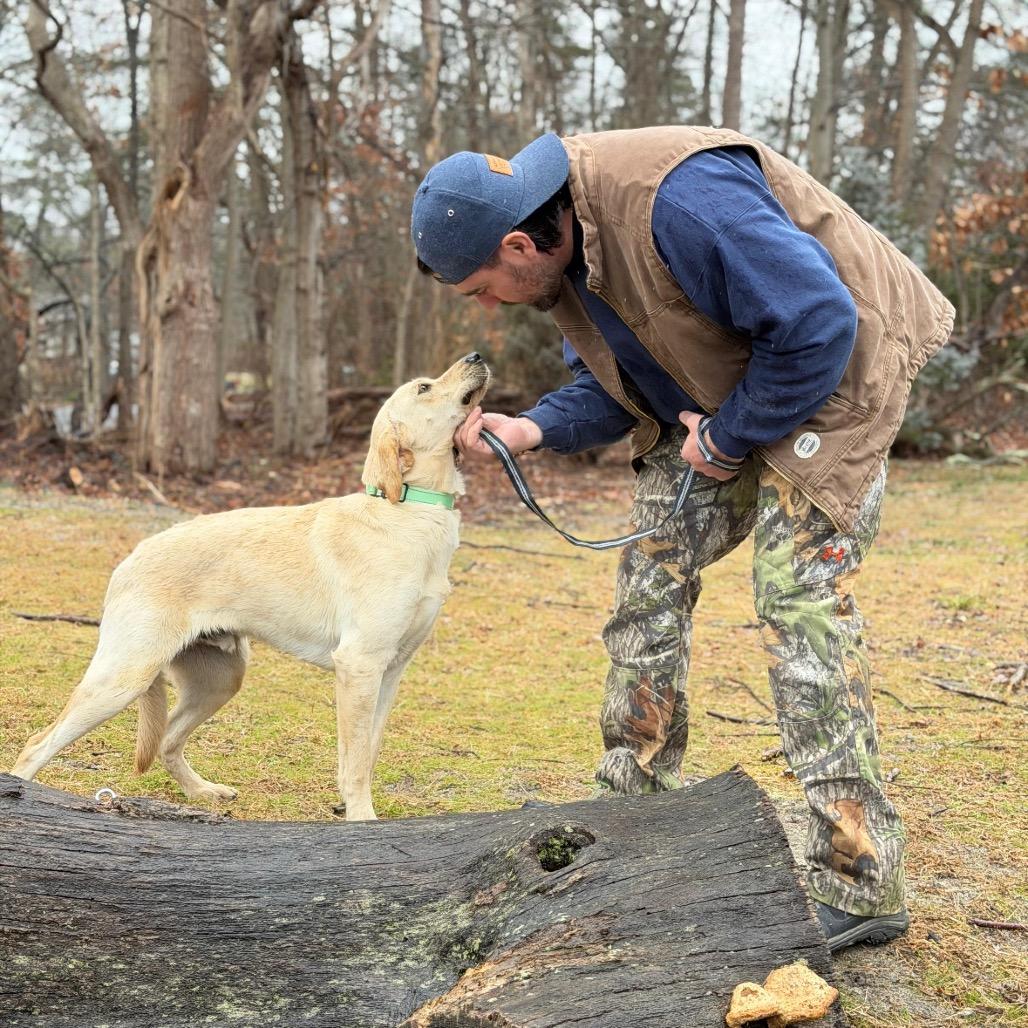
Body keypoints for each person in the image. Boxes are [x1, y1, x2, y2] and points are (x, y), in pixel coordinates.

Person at [410, 126, 954, 952]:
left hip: (841, 371)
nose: (487, 305)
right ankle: (631, 815)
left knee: (796, 599)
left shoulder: (682, 202)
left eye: (480, 287)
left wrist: (731, 437)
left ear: (519, 242)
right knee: (649, 581)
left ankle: (861, 877)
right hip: (740, 388)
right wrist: (530, 430)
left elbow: (816, 320)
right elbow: (617, 384)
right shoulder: (565, 262)